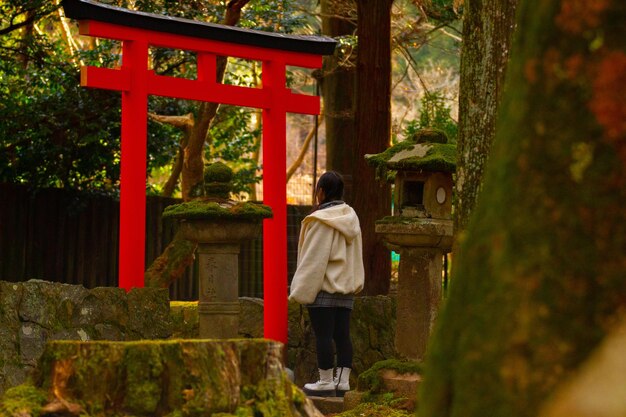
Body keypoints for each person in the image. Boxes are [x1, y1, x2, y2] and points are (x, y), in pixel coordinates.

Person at [289, 171, 365, 397]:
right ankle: (342, 382)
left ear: (321, 191)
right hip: (345, 287)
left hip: (323, 287)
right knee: (342, 336)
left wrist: (300, 289)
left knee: (323, 335)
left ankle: (324, 382)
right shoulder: (351, 217)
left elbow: (314, 259)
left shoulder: (322, 221)